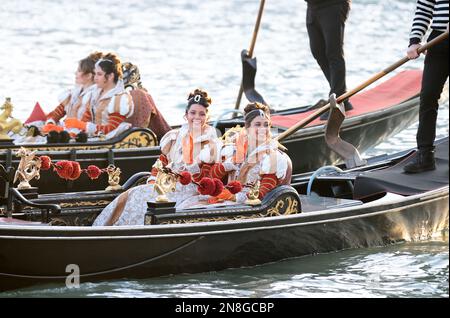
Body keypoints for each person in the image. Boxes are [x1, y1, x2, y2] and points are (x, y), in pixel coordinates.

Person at [93, 88, 219, 226]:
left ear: (207, 117)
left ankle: (132, 229)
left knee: (141, 195)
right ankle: (109, 227)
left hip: (190, 190)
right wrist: (154, 180)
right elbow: (161, 163)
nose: (197, 117)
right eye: (193, 113)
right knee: (133, 193)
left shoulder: (210, 143)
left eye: (202, 114)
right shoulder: (175, 137)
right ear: (186, 115)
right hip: (167, 185)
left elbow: (209, 177)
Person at [209, 102, 291, 204]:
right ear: (247, 128)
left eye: (266, 125)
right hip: (227, 201)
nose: (263, 129)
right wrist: (227, 165)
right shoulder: (233, 149)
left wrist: (233, 197)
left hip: (251, 209)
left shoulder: (273, 157)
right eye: (257, 124)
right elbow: (212, 176)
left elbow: (262, 195)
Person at [403, 0, 449, 173]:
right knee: (428, 96)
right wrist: (415, 40)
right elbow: (424, 8)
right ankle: (425, 155)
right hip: (438, 39)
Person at [64, 53, 134, 137]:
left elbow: (110, 129)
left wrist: (83, 126)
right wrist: (74, 132)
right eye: (95, 73)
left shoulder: (119, 98)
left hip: (110, 140)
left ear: (110, 76)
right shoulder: (94, 94)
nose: (95, 78)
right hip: (93, 138)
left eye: (99, 74)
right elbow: (85, 119)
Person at [304, 0, 353, 119]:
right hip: (313, 7)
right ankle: (342, 98)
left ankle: (337, 101)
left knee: (333, 53)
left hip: (333, 5)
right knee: (318, 52)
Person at [43, 51, 103, 129]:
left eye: (78, 70)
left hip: (78, 133)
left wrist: (61, 130)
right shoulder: (75, 93)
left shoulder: (94, 96)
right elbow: (58, 111)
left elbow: (86, 123)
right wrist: (51, 122)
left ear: (88, 75)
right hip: (66, 129)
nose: (75, 73)